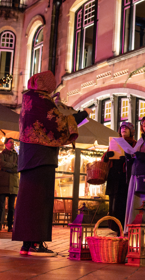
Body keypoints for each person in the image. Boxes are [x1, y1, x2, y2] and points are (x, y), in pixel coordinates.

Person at [12, 71, 91, 256]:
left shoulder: (28, 101)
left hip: (28, 158)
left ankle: (26, 245)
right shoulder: (41, 101)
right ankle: (36, 243)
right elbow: (58, 124)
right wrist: (82, 115)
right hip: (42, 158)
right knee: (41, 202)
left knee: (28, 202)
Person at [101, 122, 136, 234]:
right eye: (122, 128)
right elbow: (104, 160)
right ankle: (114, 228)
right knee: (113, 205)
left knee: (123, 204)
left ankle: (122, 228)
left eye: (126, 128)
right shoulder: (114, 142)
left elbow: (136, 159)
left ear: (131, 131)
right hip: (113, 178)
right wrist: (107, 156)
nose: (124, 129)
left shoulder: (134, 144)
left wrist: (127, 158)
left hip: (124, 179)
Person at [0, 138, 19, 232]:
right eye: (10, 142)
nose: (12, 143)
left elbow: (18, 167)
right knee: (0, 206)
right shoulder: (2, 154)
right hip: (3, 183)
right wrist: (13, 166)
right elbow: (2, 164)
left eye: (13, 142)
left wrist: (9, 167)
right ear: (6, 144)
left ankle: (10, 226)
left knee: (11, 208)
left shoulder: (17, 155)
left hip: (13, 184)